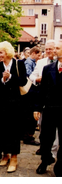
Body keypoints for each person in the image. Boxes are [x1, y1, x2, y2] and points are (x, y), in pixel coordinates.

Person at [0, 41, 27, 173]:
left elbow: (23, 81)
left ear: (7, 53)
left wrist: (11, 77)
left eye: (0, 52)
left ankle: (14, 157)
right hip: (2, 104)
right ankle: (5, 154)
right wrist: (3, 80)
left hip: (16, 104)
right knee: (3, 130)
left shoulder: (19, 64)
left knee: (14, 131)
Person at [34, 39, 62, 176]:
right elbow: (42, 90)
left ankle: (60, 165)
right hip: (50, 108)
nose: (54, 50)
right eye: (54, 48)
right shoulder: (48, 68)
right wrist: (37, 108)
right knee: (46, 138)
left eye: (57, 48)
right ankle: (45, 161)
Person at [29, 40, 59, 157]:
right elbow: (32, 75)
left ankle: (53, 151)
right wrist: (37, 79)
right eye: (46, 49)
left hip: (56, 101)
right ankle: (44, 147)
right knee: (42, 126)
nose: (48, 51)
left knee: (56, 130)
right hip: (43, 97)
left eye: (50, 49)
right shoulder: (41, 62)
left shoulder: (59, 62)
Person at [21, 46, 42, 146]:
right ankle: (28, 136)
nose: (40, 56)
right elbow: (28, 75)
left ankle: (28, 135)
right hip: (30, 92)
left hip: (31, 92)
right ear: (33, 53)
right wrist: (38, 78)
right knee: (29, 116)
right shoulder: (29, 62)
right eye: (38, 54)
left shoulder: (32, 62)